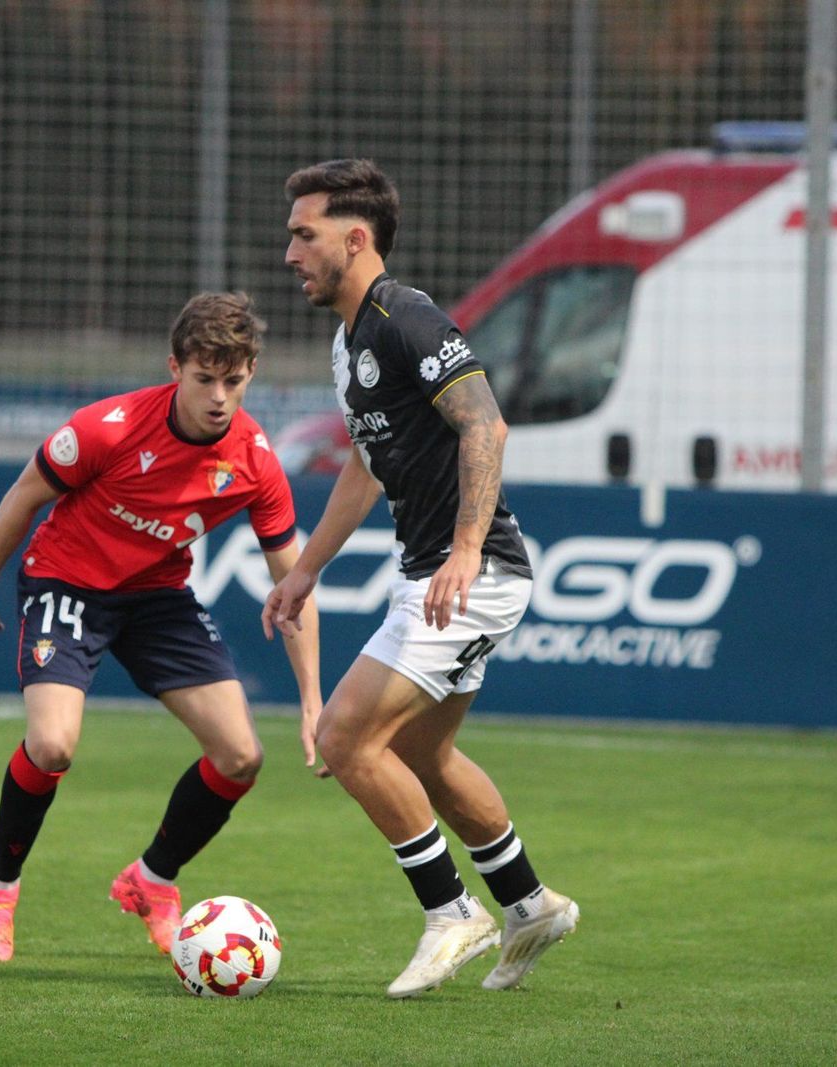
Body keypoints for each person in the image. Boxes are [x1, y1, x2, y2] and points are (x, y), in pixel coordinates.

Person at [264, 159, 578, 998]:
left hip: (473, 572)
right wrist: (306, 572)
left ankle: (452, 913)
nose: (289, 252)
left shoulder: (408, 317)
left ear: (355, 238)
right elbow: (365, 469)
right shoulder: (347, 341)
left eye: (305, 234)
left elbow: (486, 424)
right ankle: (530, 903)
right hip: (433, 574)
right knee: (420, 751)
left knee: (341, 737)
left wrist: (466, 549)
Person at [0, 291, 322, 962]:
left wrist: (312, 700)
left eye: (232, 381)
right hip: (68, 580)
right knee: (54, 744)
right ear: (174, 367)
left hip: (156, 594)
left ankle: (152, 880)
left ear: (252, 372)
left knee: (241, 756)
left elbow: (292, 584)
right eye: (203, 378)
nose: (217, 396)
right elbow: (23, 496)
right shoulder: (109, 427)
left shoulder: (256, 461)